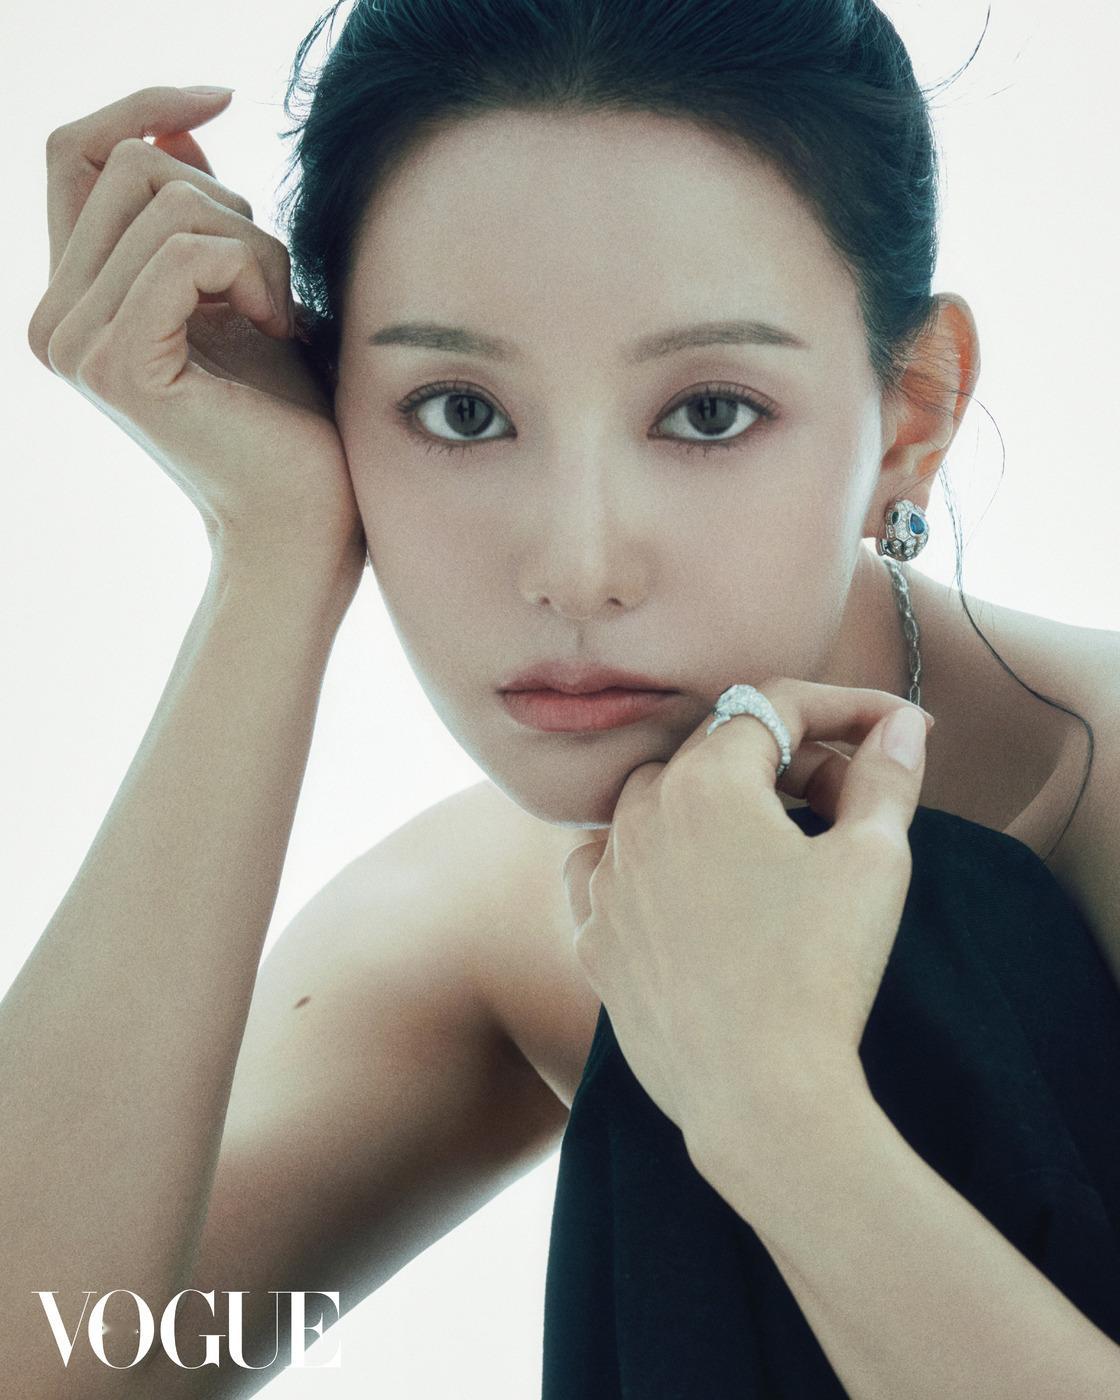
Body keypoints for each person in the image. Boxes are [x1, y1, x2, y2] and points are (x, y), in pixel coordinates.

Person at [8, 0, 1120, 1395]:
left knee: (941, 924)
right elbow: (59, 1363)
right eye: (460, 412)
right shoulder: (502, 913)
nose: (578, 569)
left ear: (914, 413)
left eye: (708, 413)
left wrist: (773, 1104)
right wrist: (273, 549)